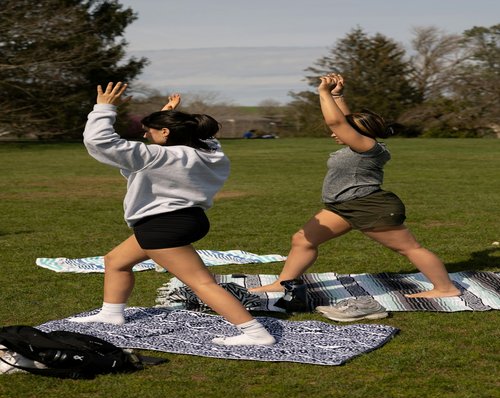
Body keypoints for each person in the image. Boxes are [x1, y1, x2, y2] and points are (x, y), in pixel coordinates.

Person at [70, 82, 275, 346]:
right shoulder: (210, 151)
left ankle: (257, 334)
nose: (145, 136)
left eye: (149, 131)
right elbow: (192, 136)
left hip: (162, 226)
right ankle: (111, 315)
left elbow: (99, 141)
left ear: (166, 132)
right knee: (116, 261)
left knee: (202, 284)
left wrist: (104, 107)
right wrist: (167, 114)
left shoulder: (155, 156)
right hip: (189, 220)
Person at [250, 74, 460, 298]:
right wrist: (337, 95)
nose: (334, 133)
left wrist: (322, 93)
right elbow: (344, 121)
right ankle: (283, 283)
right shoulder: (360, 144)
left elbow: (337, 122)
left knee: (409, 248)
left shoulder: (368, 147)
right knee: (302, 239)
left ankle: (446, 289)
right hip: (341, 207)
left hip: (369, 206)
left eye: (344, 130)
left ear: (360, 133)